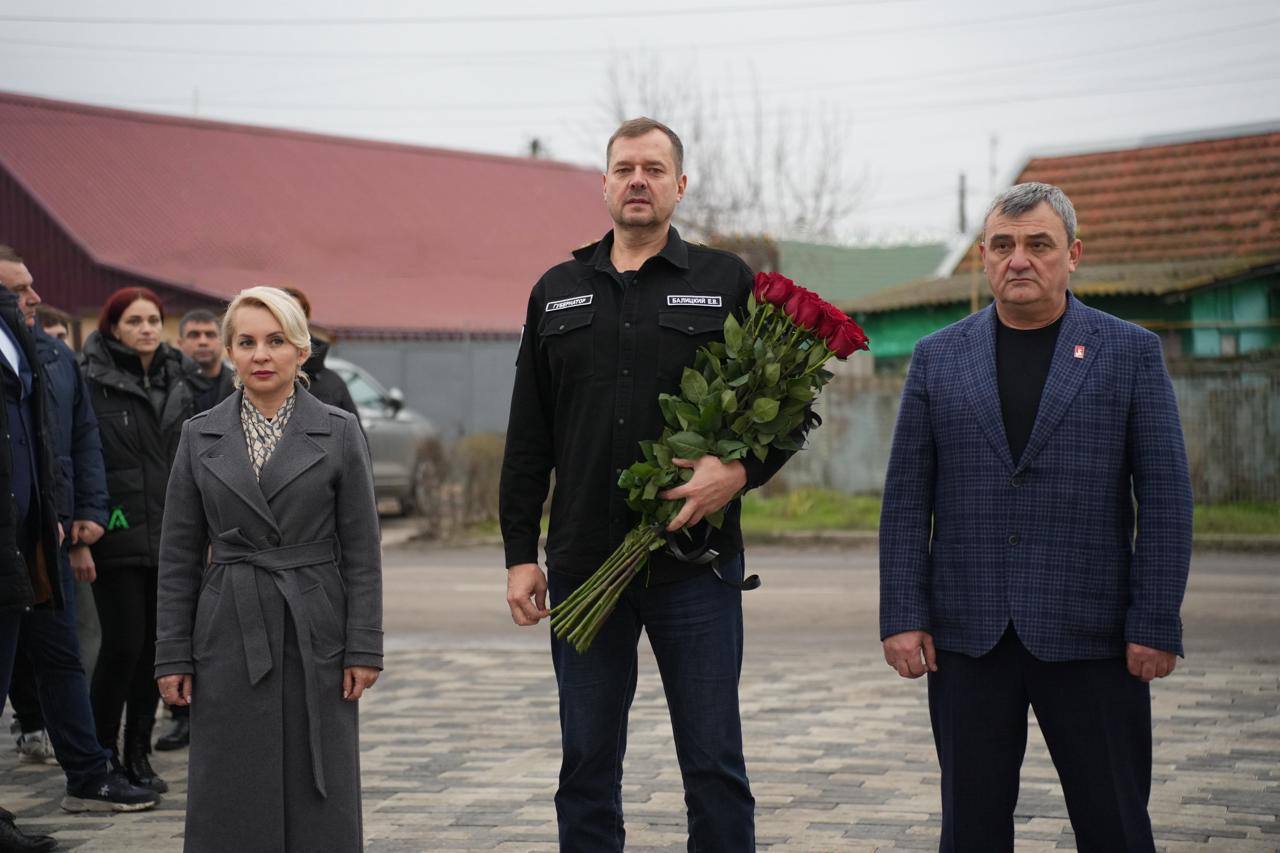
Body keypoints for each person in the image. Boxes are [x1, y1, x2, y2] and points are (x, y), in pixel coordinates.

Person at [500, 118, 796, 852]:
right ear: (604, 184)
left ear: (680, 185)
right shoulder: (556, 291)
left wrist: (739, 473)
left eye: (654, 169)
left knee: (714, 764)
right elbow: (529, 436)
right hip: (583, 564)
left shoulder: (725, 282)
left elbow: (788, 410)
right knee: (586, 766)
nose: (639, 180)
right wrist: (519, 554)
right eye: (625, 168)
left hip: (696, 568)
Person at [879, 182, 1193, 852]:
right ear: (984, 258)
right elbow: (906, 498)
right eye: (1003, 245)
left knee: (1115, 825)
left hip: (1094, 638)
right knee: (971, 830)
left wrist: (1155, 619)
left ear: (1072, 254)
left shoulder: (1130, 352)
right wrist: (903, 613)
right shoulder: (937, 356)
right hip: (969, 639)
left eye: (1038, 244)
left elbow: (1165, 496)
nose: (1019, 259)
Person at [156, 286, 382, 852]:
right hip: (226, 624)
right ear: (230, 351)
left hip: (315, 622)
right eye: (247, 342)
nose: (261, 354)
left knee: (317, 777)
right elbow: (179, 554)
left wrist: (363, 646)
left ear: (301, 350)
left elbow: (362, 549)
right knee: (229, 777)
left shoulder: (339, 430)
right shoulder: (199, 433)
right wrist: (172, 653)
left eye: (276, 341)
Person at [0, 248, 156, 823]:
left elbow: (81, 438)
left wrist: (87, 510)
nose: (34, 298)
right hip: (7, 540)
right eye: (18, 289)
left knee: (62, 657)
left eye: (31, 286)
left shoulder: (52, 357)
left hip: (46, 537)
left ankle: (89, 777)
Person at [82, 286, 202, 794]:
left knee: (157, 649)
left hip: (170, 534)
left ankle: (138, 753)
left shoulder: (180, 378)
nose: (147, 329)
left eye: (153, 319)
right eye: (134, 321)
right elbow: (83, 455)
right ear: (113, 327)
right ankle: (101, 755)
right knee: (122, 646)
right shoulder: (91, 380)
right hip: (117, 530)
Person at [280, 287, 359, 418]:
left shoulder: (332, 383)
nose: (288, 321)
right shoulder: (255, 380)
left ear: (306, 320)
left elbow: (354, 430)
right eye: (282, 313)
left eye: (295, 314)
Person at [177, 308, 235, 415]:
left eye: (210, 334)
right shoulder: (167, 386)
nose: (203, 342)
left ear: (222, 341)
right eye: (194, 335)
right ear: (180, 344)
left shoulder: (240, 386)